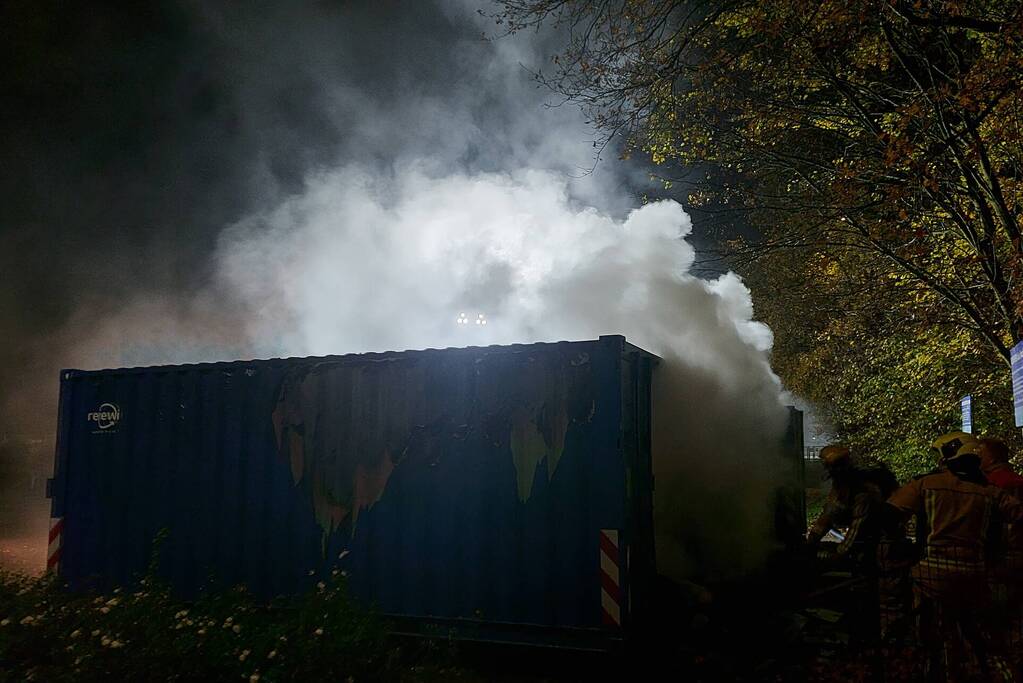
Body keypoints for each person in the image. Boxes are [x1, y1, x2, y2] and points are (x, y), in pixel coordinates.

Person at [887, 434, 1023, 682]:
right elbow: (1018, 515)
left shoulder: (925, 484)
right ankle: (997, 669)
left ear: (946, 456)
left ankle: (934, 663)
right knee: (979, 631)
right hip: (974, 575)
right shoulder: (990, 491)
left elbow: (889, 513)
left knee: (931, 629)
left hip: (930, 575)